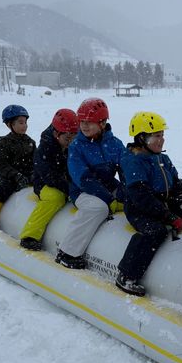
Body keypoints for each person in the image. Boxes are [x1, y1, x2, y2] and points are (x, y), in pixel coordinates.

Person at [115, 111, 182, 296]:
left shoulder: (163, 159)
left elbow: (178, 187)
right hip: (140, 210)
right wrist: (168, 216)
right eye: (156, 136)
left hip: (164, 206)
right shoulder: (132, 161)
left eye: (162, 135)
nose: (161, 140)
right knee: (155, 231)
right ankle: (126, 275)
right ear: (141, 138)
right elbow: (142, 197)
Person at [55, 97, 126, 269]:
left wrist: (126, 192)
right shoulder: (77, 146)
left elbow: (126, 170)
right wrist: (109, 198)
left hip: (109, 187)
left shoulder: (115, 144)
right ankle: (67, 252)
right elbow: (83, 178)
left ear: (102, 123)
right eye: (82, 122)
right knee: (98, 208)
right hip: (82, 191)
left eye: (90, 122)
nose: (84, 126)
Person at [19, 108, 79, 250]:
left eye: (74, 138)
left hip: (66, 182)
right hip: (44, 184)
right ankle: (30, 235)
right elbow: (49, 176)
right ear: (56, 133)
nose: (70, 142)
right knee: (55, 197)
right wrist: (69, 189)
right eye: (67, 138)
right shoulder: (45, 149)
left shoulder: (71, 146)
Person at [0, 105, 36, 231]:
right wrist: (15, 175)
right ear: (10, 125)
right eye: (20, 123)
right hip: (10, 178)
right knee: (1, 191)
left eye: (25, 122)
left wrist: (33, 173)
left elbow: (35, 161)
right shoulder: (4, 143)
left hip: (28, 176)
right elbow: (1, 164)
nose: (24, 125)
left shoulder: (30, 142)